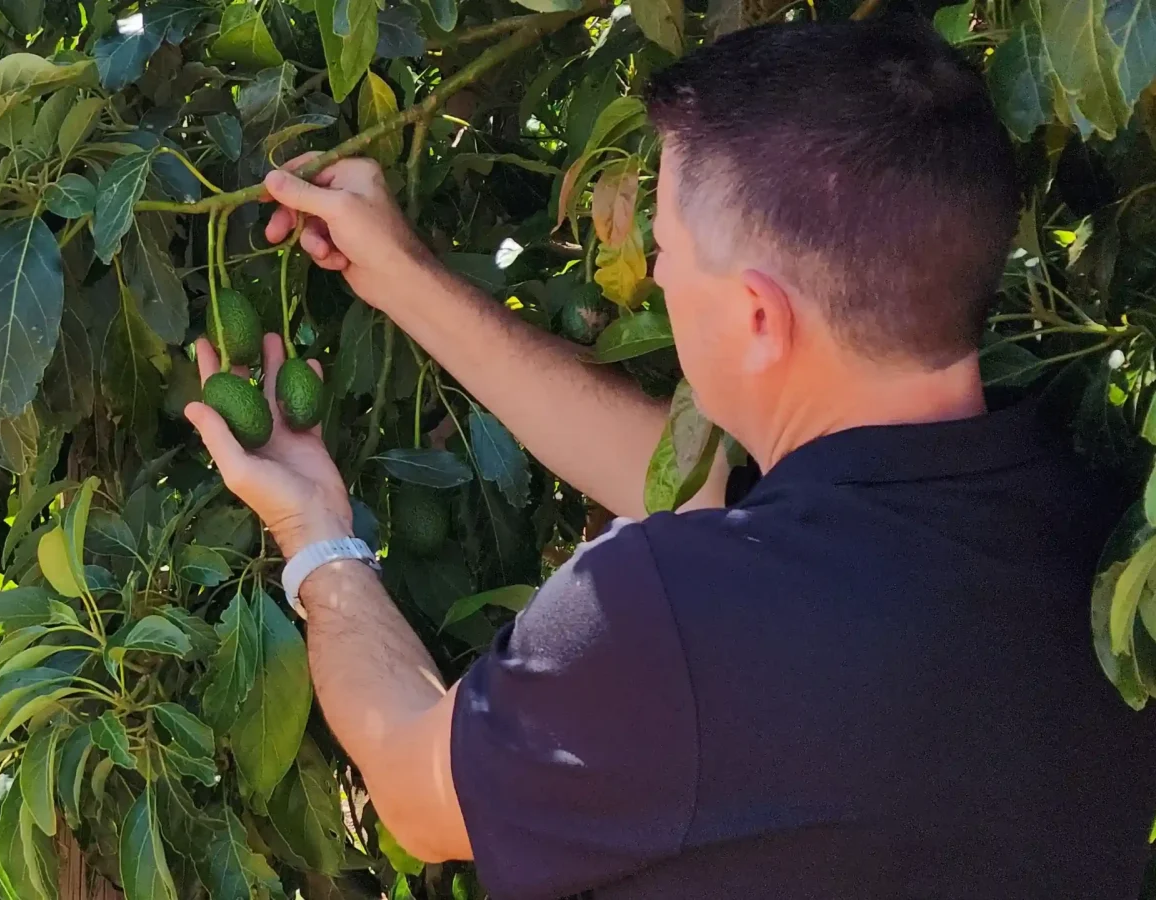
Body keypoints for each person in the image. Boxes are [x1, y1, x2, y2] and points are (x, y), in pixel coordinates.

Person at [184, 15, 1156, 900]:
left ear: (757, 315)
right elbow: (703, 493)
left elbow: (408, 780)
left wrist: (313, 532)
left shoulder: (664, 619)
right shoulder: (1100, 531)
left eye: (668, 246)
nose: (653, 272)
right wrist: (401, 277)